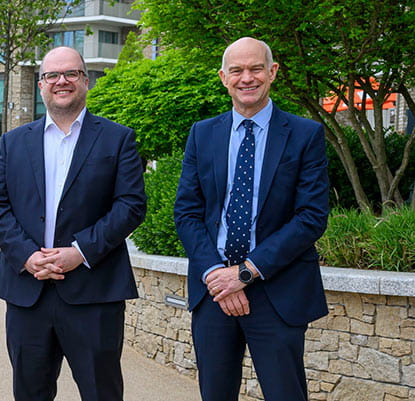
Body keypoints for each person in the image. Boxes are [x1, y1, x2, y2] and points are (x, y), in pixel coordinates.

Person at [0, 46, 146, 401]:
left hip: (94, 289)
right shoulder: (13, 142)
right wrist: (26, 256)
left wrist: (80, 251)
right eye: (52, 75)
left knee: (102, 392)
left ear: (86, 81)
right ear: (41, 85)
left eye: (71, 73)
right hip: (29, 291)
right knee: (30, 393)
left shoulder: (118, 139)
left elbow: (131, 205)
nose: (62, 81)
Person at [174, 37, 330, 401]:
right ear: (223, 77)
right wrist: (216, 273)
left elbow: (311, 217)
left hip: (278, 292)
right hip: (214, 294)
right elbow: (187, 212)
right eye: (237, 70)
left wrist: (244, 273)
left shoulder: (305, 134)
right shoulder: (202, 134)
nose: (247, 78)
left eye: (256, 68)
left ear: (272, 72)